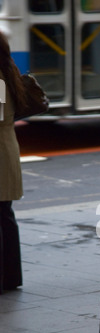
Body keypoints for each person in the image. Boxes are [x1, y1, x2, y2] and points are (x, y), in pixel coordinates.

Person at [0, 31, 24, 294]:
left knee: (2, 215)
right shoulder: (8, 72)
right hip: (6, 149)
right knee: (5, 215)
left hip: (1, 153)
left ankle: (4, 278)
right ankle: (11, 277)